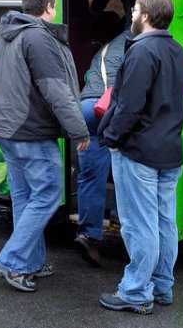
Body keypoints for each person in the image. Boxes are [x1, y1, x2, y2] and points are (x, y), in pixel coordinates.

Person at [0, 0, 90, 292]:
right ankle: (13, 262)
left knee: (26, 196)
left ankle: (30, 263)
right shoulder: (39, 37)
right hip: (29, 130)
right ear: (49, 7)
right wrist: (78, 128)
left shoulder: (5, 34)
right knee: (47, 194)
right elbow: (55, 89)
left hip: (5, 127)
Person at [97, 0, 183, 315]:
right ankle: (162, 286)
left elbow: (129, 106)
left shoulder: (140, 52)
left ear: (146, 16)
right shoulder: (179, 52)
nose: (132, 14)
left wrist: (111, 136)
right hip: (170, 150)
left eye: (135, 9)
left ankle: (136, 292)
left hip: (138, 151)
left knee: (139, 224)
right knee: (165, 222)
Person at [75, 29, 132, 267]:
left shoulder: (106, 47)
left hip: (88, 107)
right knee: (127, 164)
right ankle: (121, 214)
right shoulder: (136, 45)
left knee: (90, 176)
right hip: (109, 108)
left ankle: (88, 234)